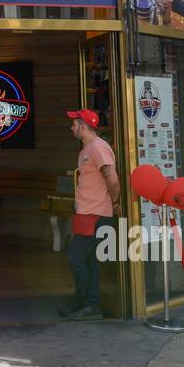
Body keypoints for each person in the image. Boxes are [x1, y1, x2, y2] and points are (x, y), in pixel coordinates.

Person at [60, 109, 121, 321]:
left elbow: (111, 178)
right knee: (90, 261)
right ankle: (89, 304)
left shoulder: (99, 148)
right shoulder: (86, 150)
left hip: (96, 214)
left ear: (84, 126)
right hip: (87, 213)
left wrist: (115, 202)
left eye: (74, 124)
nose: (71, 128)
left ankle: (86, 301)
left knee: (76, 257)